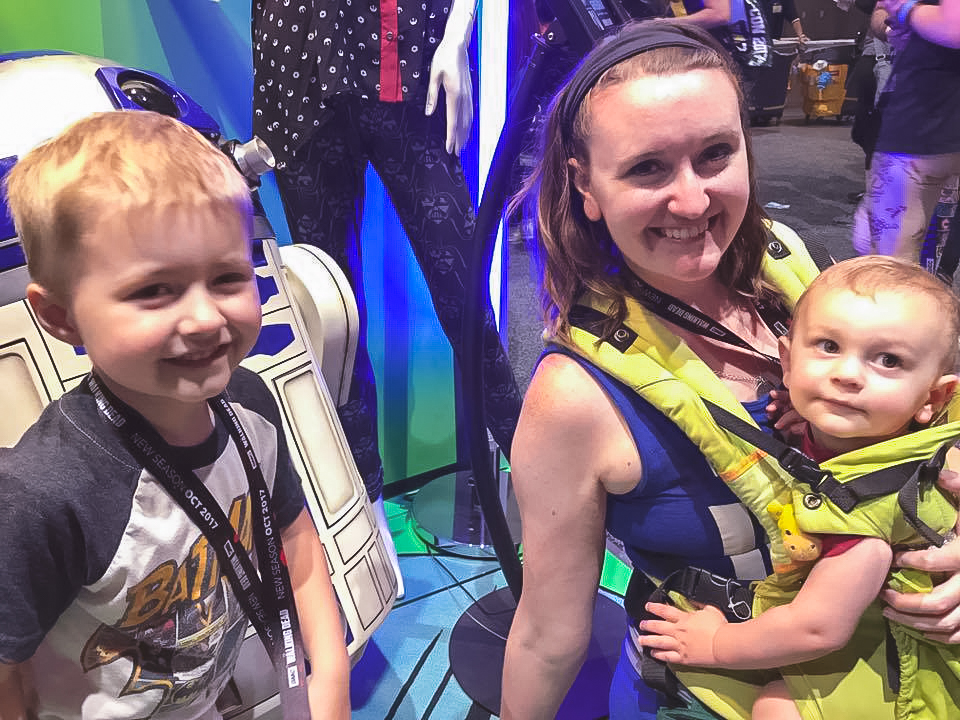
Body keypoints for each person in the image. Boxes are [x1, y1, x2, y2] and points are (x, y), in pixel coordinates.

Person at [500, 18, 960, 720]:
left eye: (715, 154)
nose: (692, 202)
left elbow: (932, 427)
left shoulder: (791, 270)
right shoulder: (574, 398)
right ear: (585, 184)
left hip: (898, 672)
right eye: (647, 168)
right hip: (707, 696)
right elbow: (546, 636)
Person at [0, 111, 350, 719]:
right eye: (153, 290)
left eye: (226, 277)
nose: (206, 319)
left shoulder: (250, 405)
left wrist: (329, 683)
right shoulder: (44, 493)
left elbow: (298, 547)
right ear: (60, 318)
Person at [637, 255, 960, 720]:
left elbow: (817, 629)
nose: (847, 374)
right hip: (874, 630)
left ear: (933, 399)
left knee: (775, 708)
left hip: (909, 669)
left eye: (888, 360)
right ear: (786, 362)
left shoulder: (870, 505)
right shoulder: (863, 435)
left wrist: (714, 643)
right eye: (828, 346)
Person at [251, 0, 523, 549]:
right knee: (336, 320)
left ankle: (546, 487)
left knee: (466, 303)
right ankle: (365, 520)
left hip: (409, 53)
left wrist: (459, 31)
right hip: (297, 68)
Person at [851, 0, 960, 260]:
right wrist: (895, 26)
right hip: (924, 111)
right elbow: (881, 13)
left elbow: (954, 27)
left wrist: (906, 10)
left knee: (888, 260)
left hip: (927, 111)